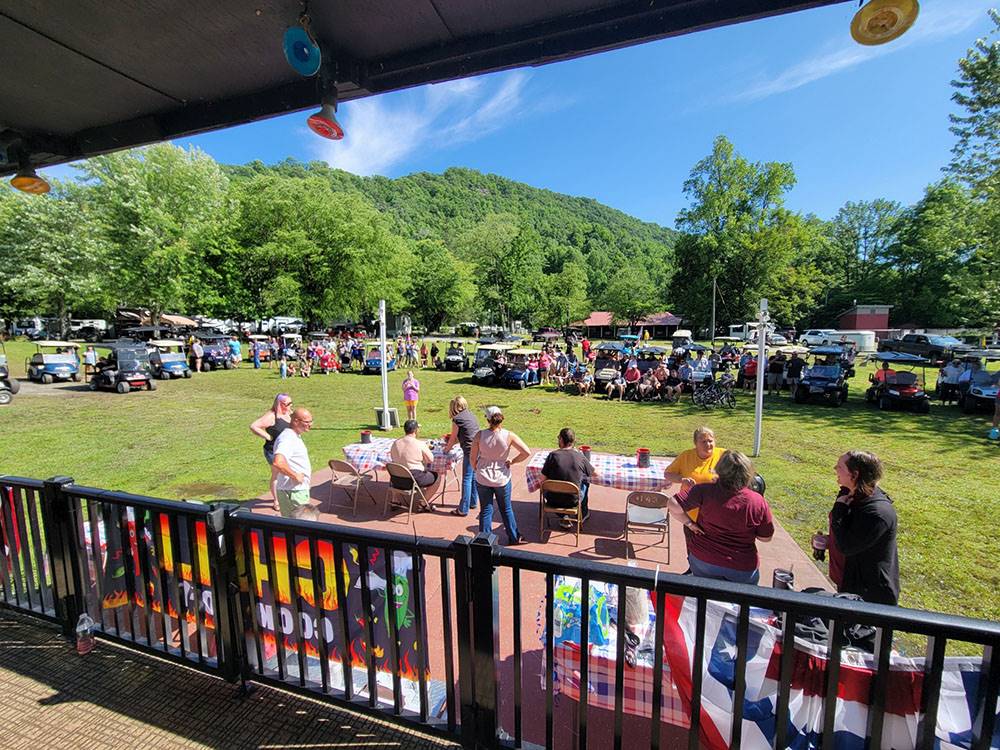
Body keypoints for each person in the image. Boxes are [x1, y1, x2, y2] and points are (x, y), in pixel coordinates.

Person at [667, 450, 773, 584]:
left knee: (703, 596)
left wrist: (689, 523)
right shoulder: (757, 501)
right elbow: (766, 538)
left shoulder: (704, 490)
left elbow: (672, 504)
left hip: (703, 560)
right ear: (747, 472)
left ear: (719, 469)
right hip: (742, 567)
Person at [828, 451, 899, 605]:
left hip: (871, 597)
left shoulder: (878, 513)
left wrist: (839, 510)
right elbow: (850, 534)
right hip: (851, 584)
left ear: (855, 474)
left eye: (840, 466)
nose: (835, 468)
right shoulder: (851, 494)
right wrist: (828, 540)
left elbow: (847, 546)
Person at [470, 406, 530, 545]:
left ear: (487, 419)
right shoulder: (509, 435)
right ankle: (514, 537)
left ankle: (484, 541)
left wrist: (476, 468)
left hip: (483, 477)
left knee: (485, 510)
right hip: (502, 478)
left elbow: (473, 458)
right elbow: (526, 452)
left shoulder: (480, 435)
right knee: (506, 508)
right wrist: (513, 461)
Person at [540, 428, 597, 527]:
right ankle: (582, 513)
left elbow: (542, 480)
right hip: (573, 501)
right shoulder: (580, 457)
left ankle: (563, 516)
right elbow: (595, 473)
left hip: (552, 500)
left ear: (561, 440)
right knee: (586, 482)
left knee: (547, 485)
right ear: (573, 441)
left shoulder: (552, 456)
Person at [249, 394, 294, 511]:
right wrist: (268, 436)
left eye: (291, 403)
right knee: (277, 475)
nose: (290, 405)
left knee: (288, 473)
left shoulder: (288, 413)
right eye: (288, 404)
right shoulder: (271, 416)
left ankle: (285, 495)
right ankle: (276, 500)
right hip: (272, 451)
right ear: (280, 404)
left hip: (286, 451)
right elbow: (254, 426)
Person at [271, 408, 314, 518]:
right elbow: (278, 462)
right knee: (304, 526)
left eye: (311, 421)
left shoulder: (292, 436)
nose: (311, 424)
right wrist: (295, 476)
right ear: (295, 421)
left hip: (290, 491)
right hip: (294, 492)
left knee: (291, 528)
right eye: (307, 422)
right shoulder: (288, 438)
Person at [389, 420, 440, 507]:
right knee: (438, 477)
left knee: (395, 470)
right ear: (416, 430)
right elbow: (430, 459)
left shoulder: (396, 443)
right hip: (413, 480)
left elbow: (393, 458)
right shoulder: (419, 444)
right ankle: (423, 503)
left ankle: (395, 500)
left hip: (396, 480)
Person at [446, 396, 481, 516]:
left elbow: (452, 439)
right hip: (479, 448)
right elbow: (467, 434)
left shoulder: (457, 419)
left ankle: (463, 509)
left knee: (466, 478)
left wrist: (446, 450)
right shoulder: (471, 415)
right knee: (473, 476)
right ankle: (473, 502)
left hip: (469, 451)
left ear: (454, 407)